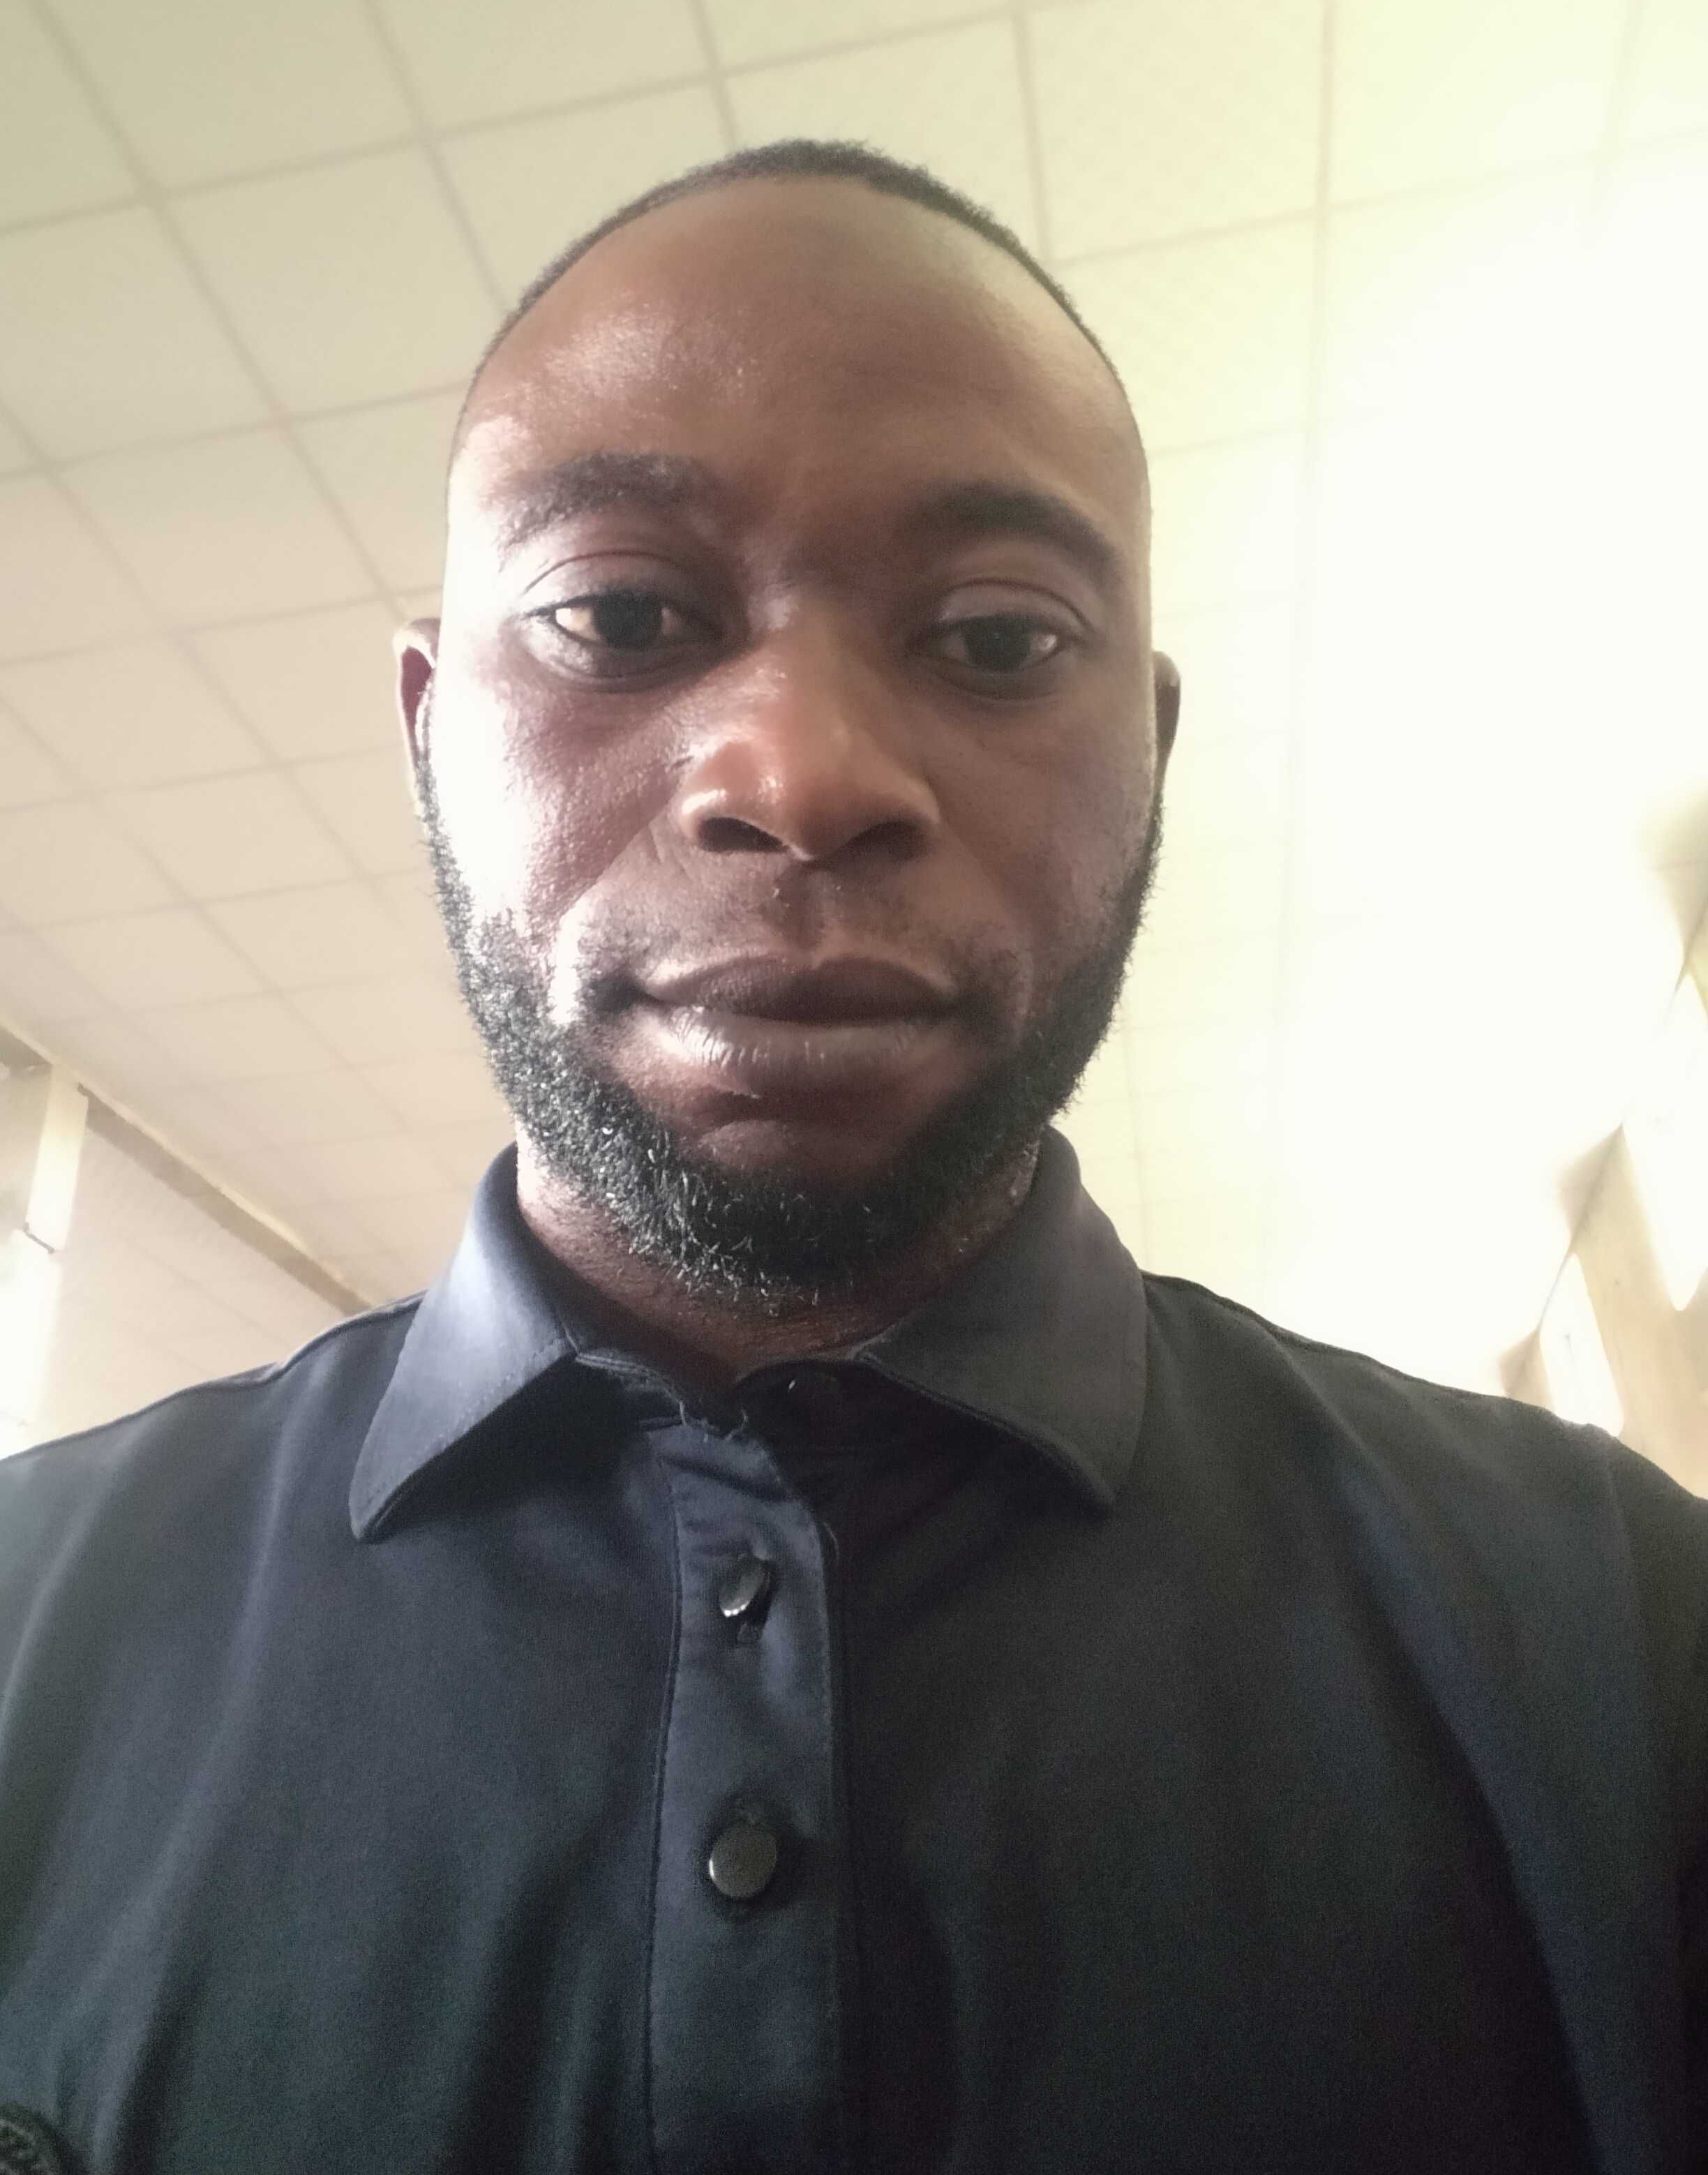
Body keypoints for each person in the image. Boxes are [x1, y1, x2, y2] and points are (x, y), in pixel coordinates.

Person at [0, 140, 1702, 2175]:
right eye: (622, 611)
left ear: (1149, 753)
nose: (803, 777)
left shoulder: (1622, 1634)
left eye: (995, 640)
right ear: (432, 732)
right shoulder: (25, 1623)